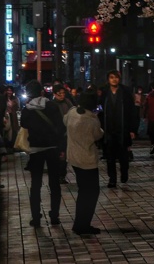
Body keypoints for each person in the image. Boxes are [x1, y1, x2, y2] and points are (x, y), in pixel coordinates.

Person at [21, 80, 66, 227]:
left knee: (36, 184)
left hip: (36, 149)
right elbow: (60, 126)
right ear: (42, 91)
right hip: (52, 147)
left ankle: (36, 217)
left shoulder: (27, 109)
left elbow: (24, 125)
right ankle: (54, 215)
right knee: (54, 183)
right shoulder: (52, 106)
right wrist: (60, 147)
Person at [65, 91, 104, 236]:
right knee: (92, 192)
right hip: (87, 160)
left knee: (83, 191)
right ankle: (83, 224)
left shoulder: (71, 113)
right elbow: (97, 135)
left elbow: (64, 122)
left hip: (74, 157)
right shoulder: (92, 119)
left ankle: (79, 223)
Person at [98, 70, 138, 188]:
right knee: (110, 157)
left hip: (123, 129)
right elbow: (99, 109)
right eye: (111, 77)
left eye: (116, 77)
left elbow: (132, 112)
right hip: (108, 129)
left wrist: (132, 129)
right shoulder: (104, 93)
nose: (114, 80)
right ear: (108, 79)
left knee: (123, 156)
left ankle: (124, 173)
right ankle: (112, 179)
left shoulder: (125, 92)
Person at [49, 83, 75, 183]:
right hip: (56, 133)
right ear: (55, 94)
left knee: (64, 155)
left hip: (67, 132)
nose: (62, 95)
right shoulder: (51, 104)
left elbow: (73, 112)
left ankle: (62, 175)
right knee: (58, 155)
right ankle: (58, 174)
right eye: (59, 94)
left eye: (63, 93)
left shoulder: (67, 102)